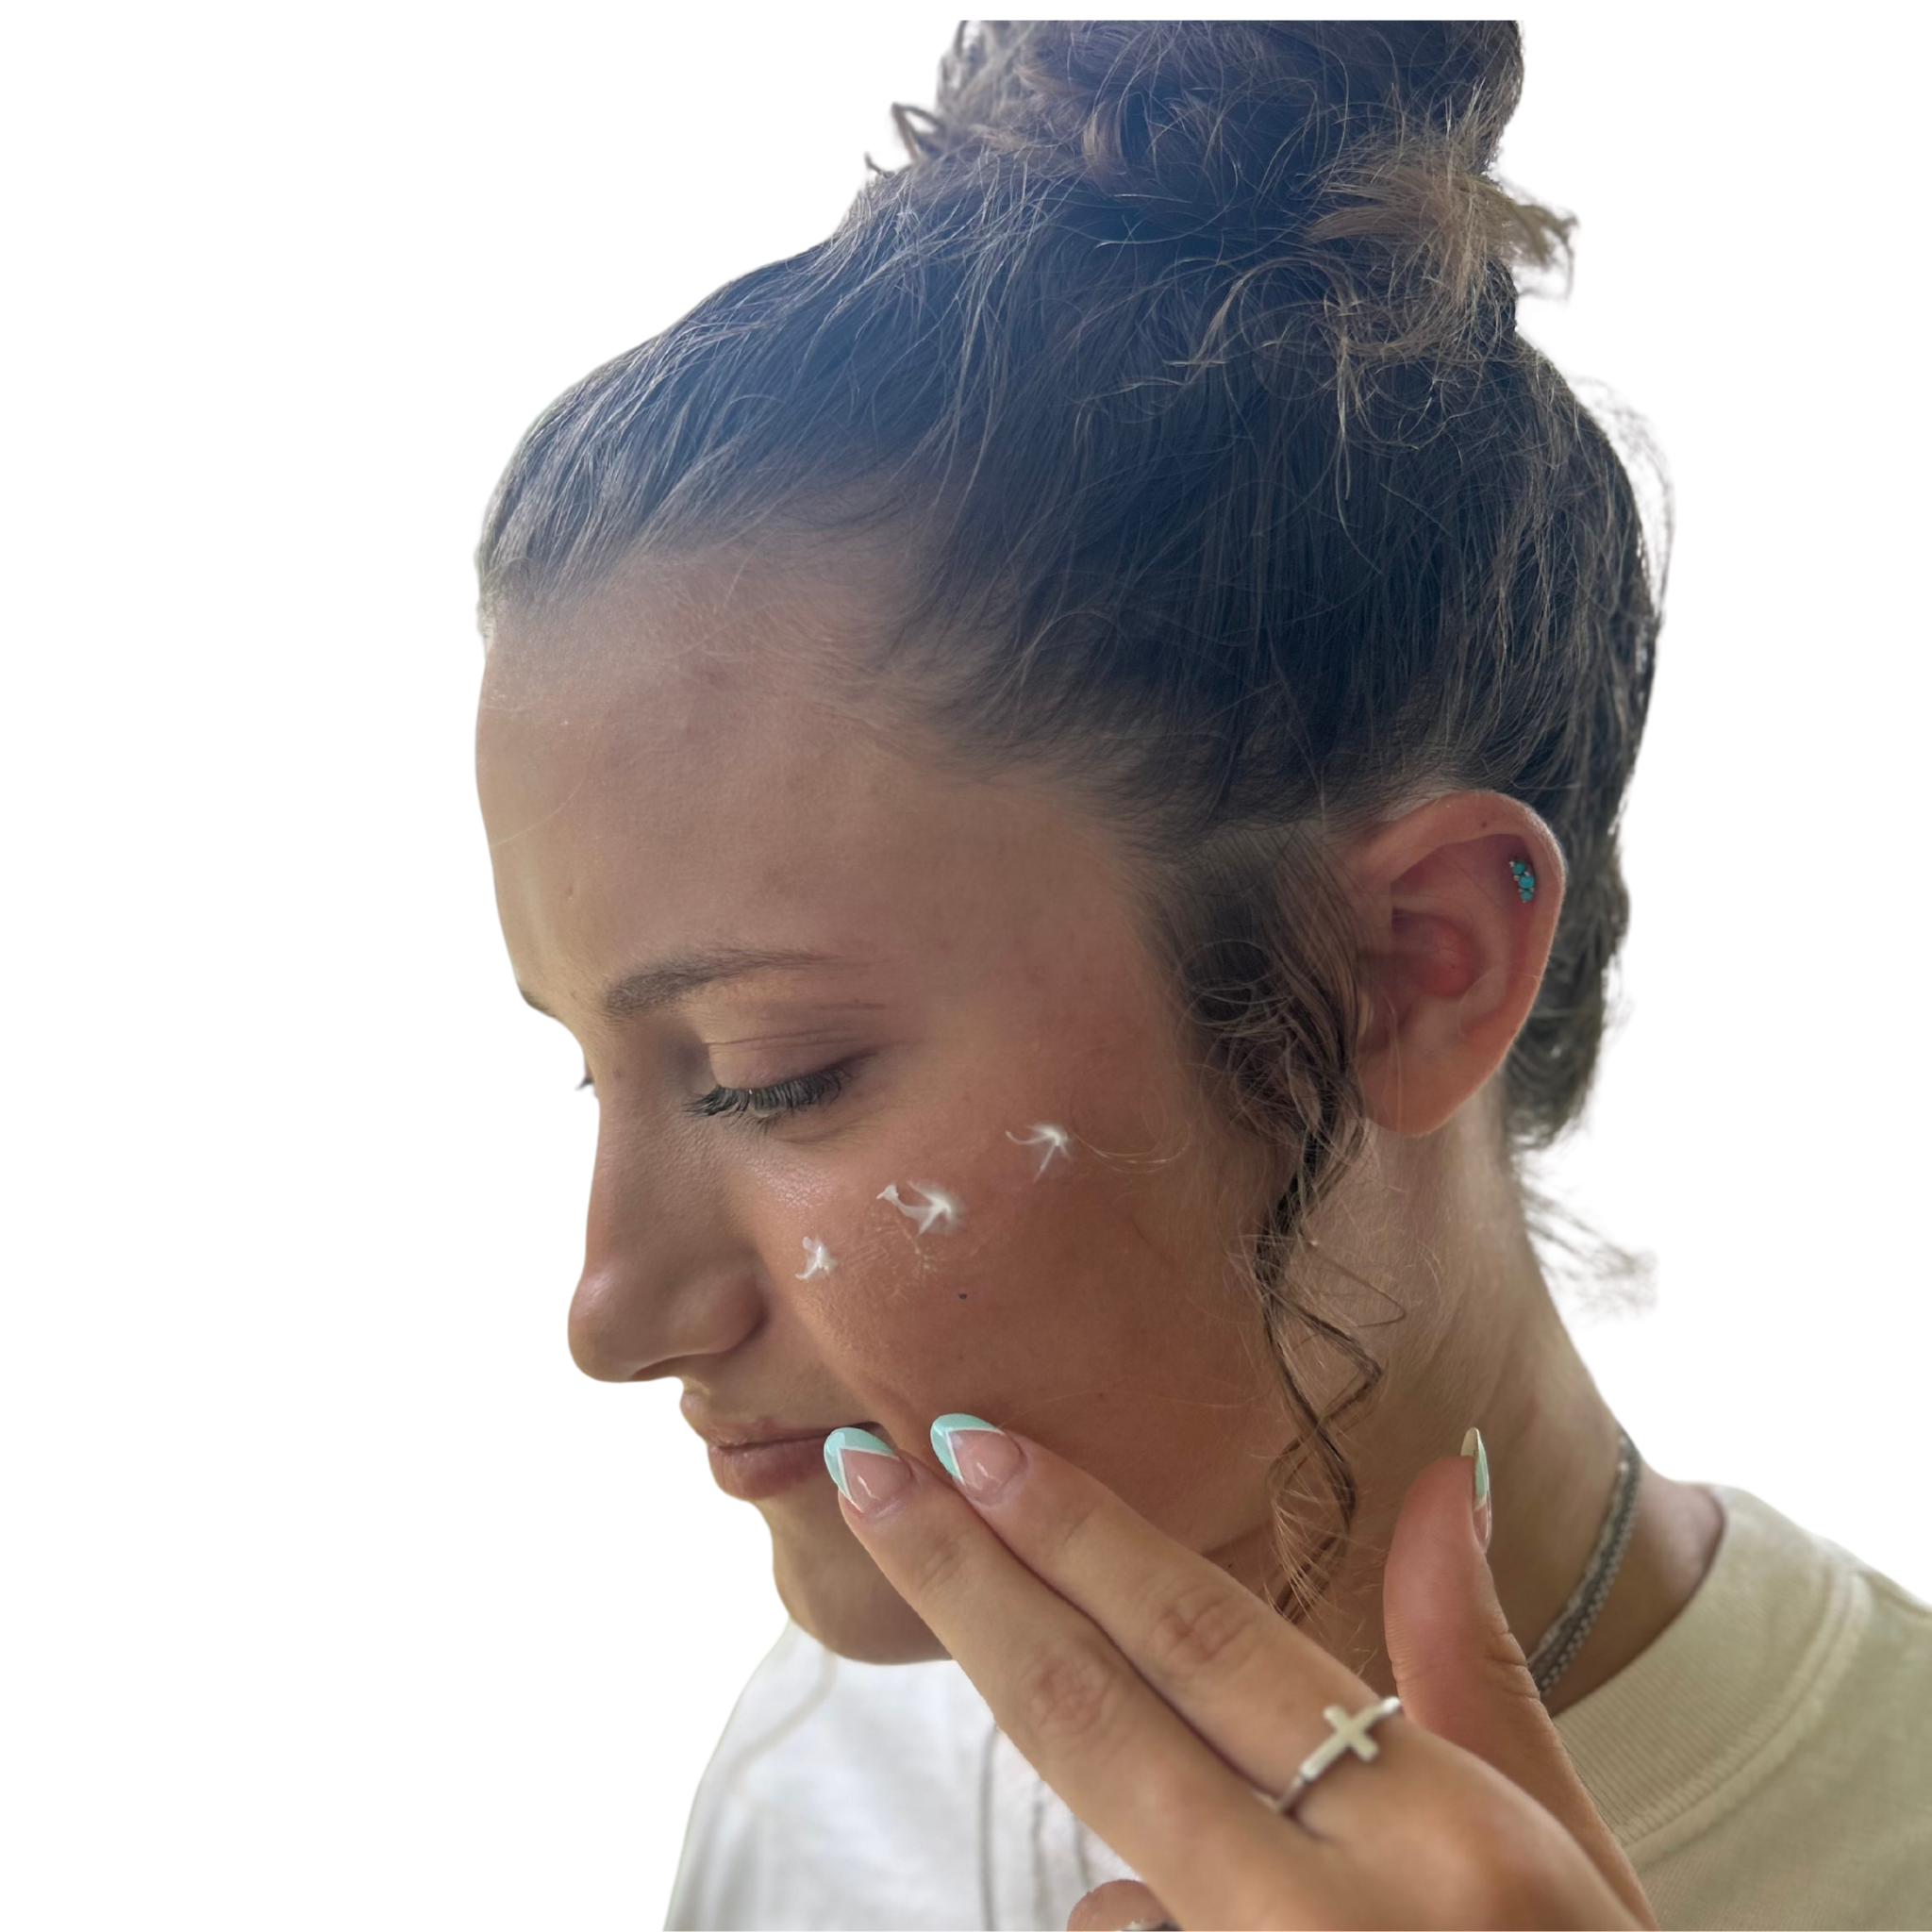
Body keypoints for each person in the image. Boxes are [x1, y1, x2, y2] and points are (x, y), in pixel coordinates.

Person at [473, 21, 1932, 1929]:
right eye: (601, 1068)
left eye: (773, 1071)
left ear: (1411, 967)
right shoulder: (828, 1787)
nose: (612, 1308)